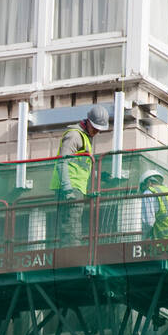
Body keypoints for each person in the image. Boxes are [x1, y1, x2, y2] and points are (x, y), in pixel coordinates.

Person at [52, 104, 110, 244]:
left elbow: (82, 166)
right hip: (70, 187)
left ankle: (72, 251)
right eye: (95, 128)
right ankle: (71, 254)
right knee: (71, 224)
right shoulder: (74, 135)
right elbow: (62, 162)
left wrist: (100, 176)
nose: (96, 132)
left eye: (99, 130)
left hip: (76, 187)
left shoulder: (85, 138)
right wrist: (67, 190)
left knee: (74, 222)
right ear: (88, 122)